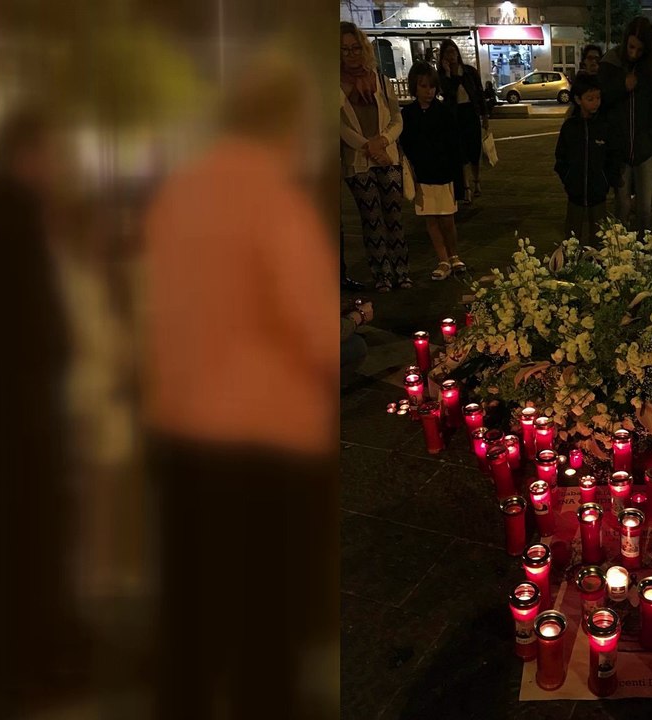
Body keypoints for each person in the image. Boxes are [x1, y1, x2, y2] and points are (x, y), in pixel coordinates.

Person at [142, 51, 336, 720]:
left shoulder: (180, 189)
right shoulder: (275, 200)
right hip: (260, 437)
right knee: (263, 616)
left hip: (179, 425)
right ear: (285, 121)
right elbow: (314, 329)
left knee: (189, 607)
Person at [0, 104, 88, 717]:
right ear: (27, 154)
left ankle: (45, 642)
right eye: (54, 155)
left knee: (35, 527)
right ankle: (23, 661)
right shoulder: (4, 213)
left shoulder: (11, 207)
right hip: (15, 400)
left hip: (20, 396)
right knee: (25, 532)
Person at [340, 22, 410, 291]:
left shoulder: (380, 80)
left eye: (355, 47)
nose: (351, 54)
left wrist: (383, 141)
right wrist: (369, 147)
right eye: (344, 50)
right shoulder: (335, 84)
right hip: (358, 160)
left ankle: (401, 270)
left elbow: (396, 118)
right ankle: (381, 274)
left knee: (393, 214)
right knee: (371, 219)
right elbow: (338, 125)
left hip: (387, 156)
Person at [598, 17, 652, 238]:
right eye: (631, 47)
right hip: (620, 148)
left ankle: (643, 253)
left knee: (645, 207)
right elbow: (601, 99)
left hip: (644, 148)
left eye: (640, 49)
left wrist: (651, 138)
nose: (634, 53)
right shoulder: (611, 62)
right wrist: (622, 86)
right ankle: (619, 252)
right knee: (622, 205)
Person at [401, 62, 466, 280]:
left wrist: (459, 176)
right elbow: (407, 144)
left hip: (444, 172)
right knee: (430, 218)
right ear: (415, 87)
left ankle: (454, 254)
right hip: (422, 173)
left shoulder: (444, 112)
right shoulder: (408, 114)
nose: (428, 91)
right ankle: (443, 259)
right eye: (423, 86)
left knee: (447, 217)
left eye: (431, 87)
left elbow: (455, 145)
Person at [555, 75, 621, 243]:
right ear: (578, 99)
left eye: (598, 98)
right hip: (575, 193)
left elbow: (612, 156)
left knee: (599, 237)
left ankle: (597, 266)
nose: (595, 102)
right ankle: (572, 265)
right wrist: (568, 179)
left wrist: (608, 180)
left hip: (598, 193)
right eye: (590, 99)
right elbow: (561, 157)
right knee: (572, 237)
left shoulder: (604, 126)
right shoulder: (570, 127)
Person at [437, 39, 488, 201]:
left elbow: (479, 94)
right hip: (454, 115)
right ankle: (466, 187)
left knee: (474, 149)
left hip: (470, 113)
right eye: (447, 53)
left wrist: (484, 115)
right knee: (460, 153)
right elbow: (447, 94)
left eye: (453, 52)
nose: (451, 56)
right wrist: (447, 74)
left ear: (457, 53)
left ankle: (477, 181)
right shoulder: (442, 75)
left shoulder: (469, 71)